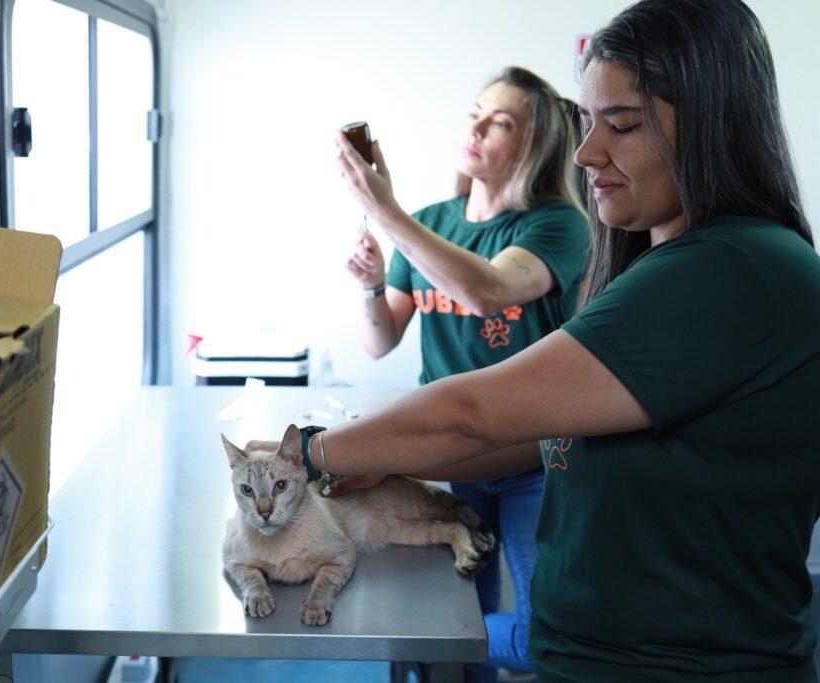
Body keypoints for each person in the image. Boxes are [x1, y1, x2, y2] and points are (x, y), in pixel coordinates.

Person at [323, 0, 819, 680]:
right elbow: (547, 429)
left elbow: (474, 411)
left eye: (622, 124)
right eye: (588, 122)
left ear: (713, 124)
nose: (587, 153)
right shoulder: (661, 264)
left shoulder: (726, 269)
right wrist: (388, 455)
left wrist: (307, 452)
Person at [339, 67, 587, 681]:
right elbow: (379, 341)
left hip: (534, 462)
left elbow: (487, 291)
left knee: (541, 638)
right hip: (447, 458)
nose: (474, 129)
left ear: (533, 146)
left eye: (498, 123)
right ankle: (439, 644)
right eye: (475, 113)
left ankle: (428, 638)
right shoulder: (430, 223)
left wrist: (384, 210)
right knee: (454, 615)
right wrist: (372, 285)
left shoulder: (558, 226)